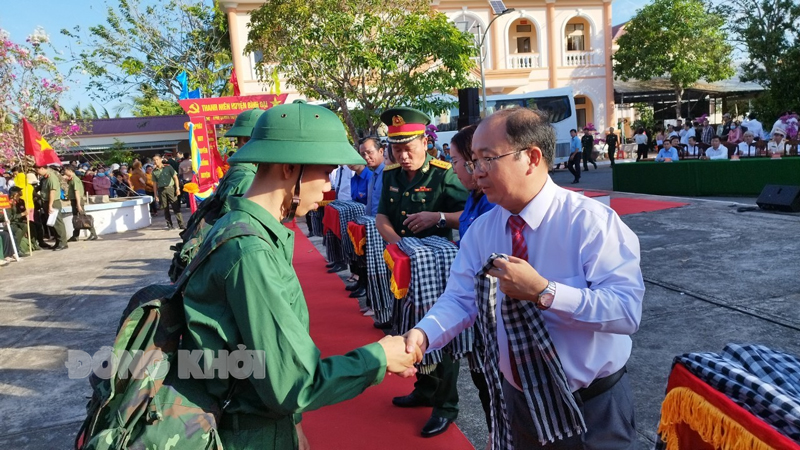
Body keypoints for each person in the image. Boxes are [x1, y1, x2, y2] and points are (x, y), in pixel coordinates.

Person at [172, 100, 420, 449]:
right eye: (325, 172)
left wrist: (294, 424)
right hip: (247, 433)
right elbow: (293, 384)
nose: (328, 188)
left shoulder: (246, 230)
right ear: (289, 168)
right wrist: (380, 356)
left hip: (261, 419)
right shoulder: (250, 252)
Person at [404, 106, 644, 449]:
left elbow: (625, 311)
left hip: (592, 407)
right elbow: (459, 299)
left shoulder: (591, 223)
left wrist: (545, 292)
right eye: (473, 161)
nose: (476, 173)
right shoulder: (483, 231)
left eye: (487, 159)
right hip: (518, 400)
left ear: (531, 158)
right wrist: (423, 335)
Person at [376, 107, 468, 438]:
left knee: (440, 336)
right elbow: (381, 217)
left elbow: (471, 213)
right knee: (408, 328)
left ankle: (445, 406)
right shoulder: (390, 175)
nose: (402, 155)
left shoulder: (444, 173)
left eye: (408, 147)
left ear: (425, 142)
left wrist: (438, 217)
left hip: (438, 270)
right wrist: (399, 244)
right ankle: (424, 389)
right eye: (396, 148)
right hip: (404, 266)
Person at [449, 124, 495, 444]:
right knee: (482, 377)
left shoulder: (494, 205)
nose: (453, 167)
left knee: (494, 380)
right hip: (475, 310)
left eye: (453, 160)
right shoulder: (474, 199)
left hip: (491, 313)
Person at [35, 164, 68, 250]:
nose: (36, 172)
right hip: (46, 202)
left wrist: (50, 205)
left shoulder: (51, 177)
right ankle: (57, 241)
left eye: (37, 170)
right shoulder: (44, 178)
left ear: (42, 168)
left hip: (53, 202)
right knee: (52, 223)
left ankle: (63, 242)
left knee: (57, 223)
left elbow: (52, 192)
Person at [63, 166, 98, 242]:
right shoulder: (71, 179)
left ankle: (93, 233)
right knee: (76, 219)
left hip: (77, 200)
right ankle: (75, 235)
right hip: (74, 200)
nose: (64, 172)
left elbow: (77, 192)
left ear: (70, 171)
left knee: (83, 217)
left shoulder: (75, 180)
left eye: (65, 170)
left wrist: (78, 204)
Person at [152, 154, 184, 230]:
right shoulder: (154, 171)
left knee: (175, 206)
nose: (155, 161)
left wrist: (177, 188)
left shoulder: (168, 167)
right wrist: (155, 195)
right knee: (165, 208)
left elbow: (175, 178)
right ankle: (169, 224)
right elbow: (154, 184)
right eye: (154, 160)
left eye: (157, 159)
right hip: (161, 190)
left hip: (170, 189)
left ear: (160, 160)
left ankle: (181, 224)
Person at [361, 137, 385, 217]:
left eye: (369, 152)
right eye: (363, 154)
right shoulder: (373, 176)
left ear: (381, 151)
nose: (366, 157)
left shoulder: (388, 174)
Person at [7, 186, 32, 256]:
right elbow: (10, 217)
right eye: (19, 193)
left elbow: (22, 212)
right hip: (10, 223)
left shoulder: (21, 201)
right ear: (15, 194)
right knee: (18, 231)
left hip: (18, 221)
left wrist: (25, 215)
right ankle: (16, 250)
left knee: (27, 226)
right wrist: (22, 214)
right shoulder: (9, 203)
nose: (21, 194)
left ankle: (18, 246)